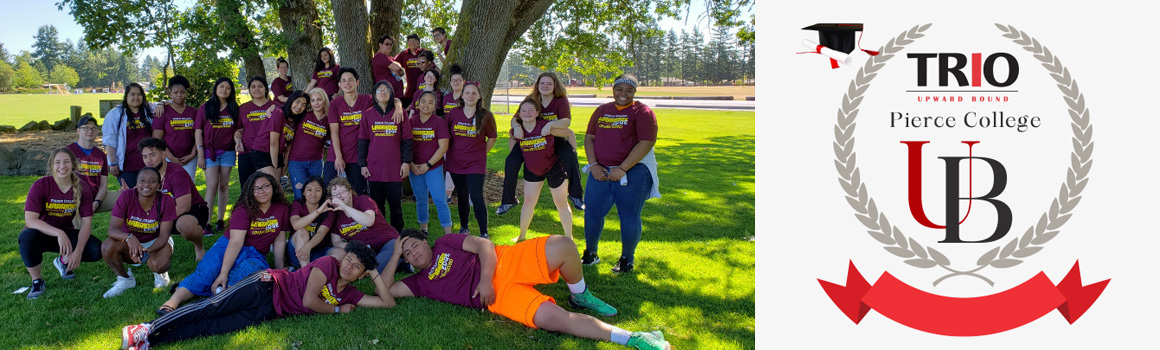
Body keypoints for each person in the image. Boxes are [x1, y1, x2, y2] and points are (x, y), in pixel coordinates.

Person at [385, 230, 671, 350]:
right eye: (407, 254)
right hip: (498, 297)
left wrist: (485, 279)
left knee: (564, 245)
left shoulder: (445, 242)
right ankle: (635, 339)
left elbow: (484, 246)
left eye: (414, 245)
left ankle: (580, 293)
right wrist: (394, 254)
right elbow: (385, 290)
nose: (413, 252)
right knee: (553, 320)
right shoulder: (418, 284)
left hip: (502, 261)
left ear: (426, 241)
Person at [120, 241, 398, 350]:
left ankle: (150, 343)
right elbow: (308, 302)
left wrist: (373, 272)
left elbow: (388, 303)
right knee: (212, 307)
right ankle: (144, 329)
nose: (348, 266)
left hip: (271, 311)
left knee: (216, 326)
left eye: (356, 266)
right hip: (266, 285)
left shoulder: (348, 291)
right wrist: (337, 310)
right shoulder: (328, 265)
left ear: (361, 273)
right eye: (348, 259)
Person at [156, 171, 290, 316]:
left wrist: (279, 269)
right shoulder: (243, 209)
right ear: (250, 192)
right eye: (256, 189)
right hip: (227, 246)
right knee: (207, 272)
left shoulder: (281, 208)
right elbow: (235, 242)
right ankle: (173, 301)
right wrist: (223, 273)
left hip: (255, 254)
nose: (262, 191)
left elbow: (280, 240)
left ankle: (217, 300)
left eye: (265, 186)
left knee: (246, 275)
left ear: (273, 187)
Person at [581, 74, 660, 274]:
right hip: (600, 170)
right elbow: (589, 138)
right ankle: (590, 254)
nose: (623, 94)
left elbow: (647, 142)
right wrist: (594, 165)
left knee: (629, 215)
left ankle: (626, 260)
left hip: (634, 172)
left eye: (629, 90)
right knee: (592, 212)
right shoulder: (602, 110)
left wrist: (623, 168)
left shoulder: (642, 112)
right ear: (613, 89)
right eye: (619, 89)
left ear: (635, 91)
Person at [18, 148, 102, 300]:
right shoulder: (41, 185)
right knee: (26, 237)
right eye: (57, 162)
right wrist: (58, 233)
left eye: (66, 162)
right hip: (42, 233)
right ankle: (37, 281)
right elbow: (30, 220)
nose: (62, 166)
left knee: (96, 250)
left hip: (66, 234)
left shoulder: (82, 187)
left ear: (73, 165)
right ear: (51, 165)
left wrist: (78, 251)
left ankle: (63, 261)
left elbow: (86, 222)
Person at [497, 72, 585, 216]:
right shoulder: (531, 99)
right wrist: (517, 127)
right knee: (511, 161)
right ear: (537, 85)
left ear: (555, 85)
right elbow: (515, 119)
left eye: (549, 83)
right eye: (542, 83)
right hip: (530, 139)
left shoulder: (560, 100)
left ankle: (576, 195)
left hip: (554, 138)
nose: (545, 86)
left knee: (570, 155)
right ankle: (508, 200)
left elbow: (566, 122)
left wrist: (550, 125)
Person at [326, 67, 403, 195]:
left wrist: (399, 106)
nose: (347, 83)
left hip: (358, 156)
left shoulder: (367, 100)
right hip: (337, 156)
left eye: (350, 80)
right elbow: (334, 132)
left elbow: (388, 98)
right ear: (339, 84)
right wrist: (338, 156)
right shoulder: (335, 104)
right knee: (330, 193)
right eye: (343, 80)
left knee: (357, 194)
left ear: (357, 82)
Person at [101, 168, 177, 298]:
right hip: (130, 241)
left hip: (156, 240)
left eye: (152, 181)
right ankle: (125, 280)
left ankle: (161, 276)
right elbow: (112, 230)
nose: (146, 185)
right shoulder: (127, 196)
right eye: (142, 181)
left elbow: (164, 235)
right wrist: (129, 238)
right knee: (107, 246)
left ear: (159, 185)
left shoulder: (166, 200)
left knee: (159, 264)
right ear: (136, 183)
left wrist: (147, 251)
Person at [510, 99, 575, 242]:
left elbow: (569, 133)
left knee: (561, 203)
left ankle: (569, 237)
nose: (528, 113)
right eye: (524, 111)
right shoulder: (517, 130)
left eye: (531, 110)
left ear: (538, 113)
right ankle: (522, 236)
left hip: (554, 168)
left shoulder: (545, 126)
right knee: (528, 202)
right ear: (519, 115)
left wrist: (572, 154)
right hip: (533, 169)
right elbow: (513, 142)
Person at [139, 138, 209, 261]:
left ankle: (199, 247)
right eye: (145, 157)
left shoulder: (176, 173)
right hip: (164, 213)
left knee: (186, 226)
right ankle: (141, 253)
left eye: (152, 155)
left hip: (193, 210)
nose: (148, 161)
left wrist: (156, 220)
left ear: (163, 154)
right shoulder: (146, 174)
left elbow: (184, 206)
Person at [445, 82, 497, 238]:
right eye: (467, 93)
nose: (470, 96)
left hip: (475, 163)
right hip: (456, 162)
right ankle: (464, 227)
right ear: (462, 95)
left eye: (474, 93)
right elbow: (446, 136)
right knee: (461, 194)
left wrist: (481, 152)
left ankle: (484, 232)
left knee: (476, 196)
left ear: (479, 96)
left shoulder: (485, 115)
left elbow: (492, 137)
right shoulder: (453, 113)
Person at [359, 80, 412, 231]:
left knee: (396, 206)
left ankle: (397, 234)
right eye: (379, 90)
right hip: (374, 169)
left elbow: (407, 140)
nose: (383, 92)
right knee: (377, 206)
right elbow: (363, 141)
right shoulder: (368, 114)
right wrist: (362, 165)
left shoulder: (400, 113)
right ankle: (380, 233)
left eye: (386, 89)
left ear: (391, 93)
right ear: (374, 95)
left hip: (395, 169)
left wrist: (406, 162)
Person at [322, 177, 402, 274]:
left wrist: (345, 207)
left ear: (350, 192)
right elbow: (336, 242)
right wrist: (354, 247)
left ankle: (399, 260)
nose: (339, 196)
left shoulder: (363, 200)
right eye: (335, 194)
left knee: (375, 269)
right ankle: (397, 262)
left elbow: (369, 221)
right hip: (364, 251)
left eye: (342, 192)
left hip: (386, 242)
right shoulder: (336, 214)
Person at [196, 78, 241, 236]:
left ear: (231, 91)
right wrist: (200, 154)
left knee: (224, 185)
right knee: (212, 185)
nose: (224, 90)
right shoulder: (206, 107)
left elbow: (239, 128)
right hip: (210, 152)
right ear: (215, 89)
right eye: (221, 86)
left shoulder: (234, 108)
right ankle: (206, 222)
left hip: (228, 152)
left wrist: (238, 138)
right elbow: (198, 131)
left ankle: (220, 220)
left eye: (228, 88)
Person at [407, 91, 454, 235]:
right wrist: (411, 164)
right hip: (414, 167)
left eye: (430, 102)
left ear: (435, 106)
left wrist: (428, 165)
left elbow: (443, 147)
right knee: (421, 200)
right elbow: (405, 146)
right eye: (423, 101)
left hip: (433, 167)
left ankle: (448, 233)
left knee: (440, 200)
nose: (426, 105)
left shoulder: (439, 122)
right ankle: (423, 230)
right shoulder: (411, 122)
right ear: (418, 103)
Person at [103, 83, 156, 189]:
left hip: (148, 164)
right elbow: (109, 140)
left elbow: (169, 102)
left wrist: (161, 105)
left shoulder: (149, 109)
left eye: (139, 94)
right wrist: (113, 162)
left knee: (148, 194)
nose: (136, 97)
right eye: (132, 94)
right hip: (127, 166)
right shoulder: (115, 114)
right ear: (126, 96)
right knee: (132, 196)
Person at [68, 115, 117, 225]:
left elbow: (104, 185)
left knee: (128, 199)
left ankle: (124, 232)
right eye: (85, 128)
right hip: (75, 200)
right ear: (78, 131)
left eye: (93, 128)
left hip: (96, 197)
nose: (90, 131)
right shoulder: (68, 151)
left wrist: (97, 202)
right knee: (78, 235)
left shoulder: (100, 155)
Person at [151, 75, 199, 180]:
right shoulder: (163, 112)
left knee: (188, 186)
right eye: (176, 92)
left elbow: (198, 135)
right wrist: (171, 158)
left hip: (190, 158)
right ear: (170, 93)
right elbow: (157, 138)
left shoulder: (193, 112)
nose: (179, 95)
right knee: (170, 187)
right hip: (168, 158)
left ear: (186, 93)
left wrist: (192, 154)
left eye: (182, 92)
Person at [286, 88, 330, 200]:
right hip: (297, 162)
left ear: (324, 100)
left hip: (316, 163)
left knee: (315, 195)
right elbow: (285, 111)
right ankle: (300, 217)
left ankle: (315, 217)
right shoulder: (303, 115)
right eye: (313, 100)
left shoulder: (329, 120)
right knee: (300, 195)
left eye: (319, 99)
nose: (316, 103)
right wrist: (272, 107)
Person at [238, 76, 280, 187]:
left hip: (267, 152)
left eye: (260, 86)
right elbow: (239, 129)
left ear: (266, 89)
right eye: (253, 87)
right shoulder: (243, 108)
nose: (256, 89)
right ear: (249, 90)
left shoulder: (276, 106)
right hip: (247, 152)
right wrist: (237, 140)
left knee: (270, 186)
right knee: (247, 187)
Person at [257, 90, 306, 179]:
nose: (299, 107)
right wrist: (275, 167)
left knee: (277, 187)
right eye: (297, 102)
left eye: (303, 105)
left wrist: (283, 169)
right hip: (263, 152)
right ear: (291, 100)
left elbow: (288, 149)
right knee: (274, 184)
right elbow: (273, 143)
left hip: (278, 154)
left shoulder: (294, 123)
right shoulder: (278, 113)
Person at [286, 177, 333, 268]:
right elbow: (296, 225)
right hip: (297, 252)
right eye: (309, 190)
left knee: (339, 253)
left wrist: (307, 247)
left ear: (323, 193)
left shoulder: (329, 209)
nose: (313, 194)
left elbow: (321, 233)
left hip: (317, 251)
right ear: (303, 192)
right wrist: (318, 212)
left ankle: (312, 268)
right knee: (302, 232)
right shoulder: (297, 205)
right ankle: (306, 273)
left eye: (318, 190)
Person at [395, 34, 428, 107]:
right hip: (409, 91)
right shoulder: (404, 54)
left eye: (415, 41)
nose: (412, 43)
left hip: (424, 89)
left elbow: (432, 65)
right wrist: (400, 71)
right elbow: (393, 63)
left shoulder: (424, 52)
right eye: (410, 41)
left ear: (419, 43)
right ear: (407, 43)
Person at [372, 34, 406, 103]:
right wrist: (398, 68)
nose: (389, 46)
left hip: (396, 95)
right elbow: (397, 68)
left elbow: (402, 72)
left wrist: (398, 69)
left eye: (391, 44)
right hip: (387, 96)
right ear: (380, 45)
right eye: (387, 44)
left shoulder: (388, 58)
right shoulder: (379, 57)